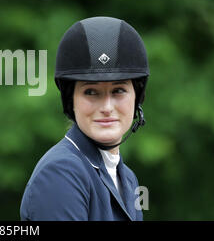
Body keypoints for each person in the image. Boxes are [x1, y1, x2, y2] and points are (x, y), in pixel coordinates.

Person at [20, 16, 149, 221]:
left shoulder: (128, 179)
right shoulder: (60, 174)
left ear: (137, 97)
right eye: (91, 92)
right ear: (71, 100)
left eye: (118, 91)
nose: (107, 107)